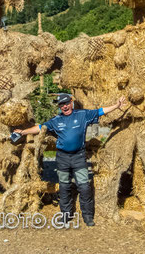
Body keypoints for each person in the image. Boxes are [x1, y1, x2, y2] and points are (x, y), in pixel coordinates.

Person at [15, 93, 126, 227]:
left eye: (67, 103)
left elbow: (100, 111)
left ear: (71, 103)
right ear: (60, 106)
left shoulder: (82, 115)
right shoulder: (55, 120)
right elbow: (39, 128)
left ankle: (88, 216)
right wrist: (23, 132)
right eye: (62, 105)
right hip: (62, 158)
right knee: (64, 186)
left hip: (79, 157)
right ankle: (66, 215)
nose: (65, 106)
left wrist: (117, 105)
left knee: (84, 187)